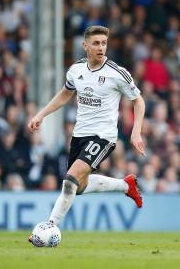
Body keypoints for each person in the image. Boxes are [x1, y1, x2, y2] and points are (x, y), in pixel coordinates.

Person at [27, 25, 145, 242]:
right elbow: (64, 94)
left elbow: (138, 100)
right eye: (96, 43)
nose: (101, 47)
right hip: (80, 135)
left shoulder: (117, 73)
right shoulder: (76, 70)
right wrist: (41, 115)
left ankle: (49, 227)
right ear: (85, 46)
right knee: (78, 187)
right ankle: (125, 185)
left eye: (104, 43)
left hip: (103, 137)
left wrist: (136, 132)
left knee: (70, 179)